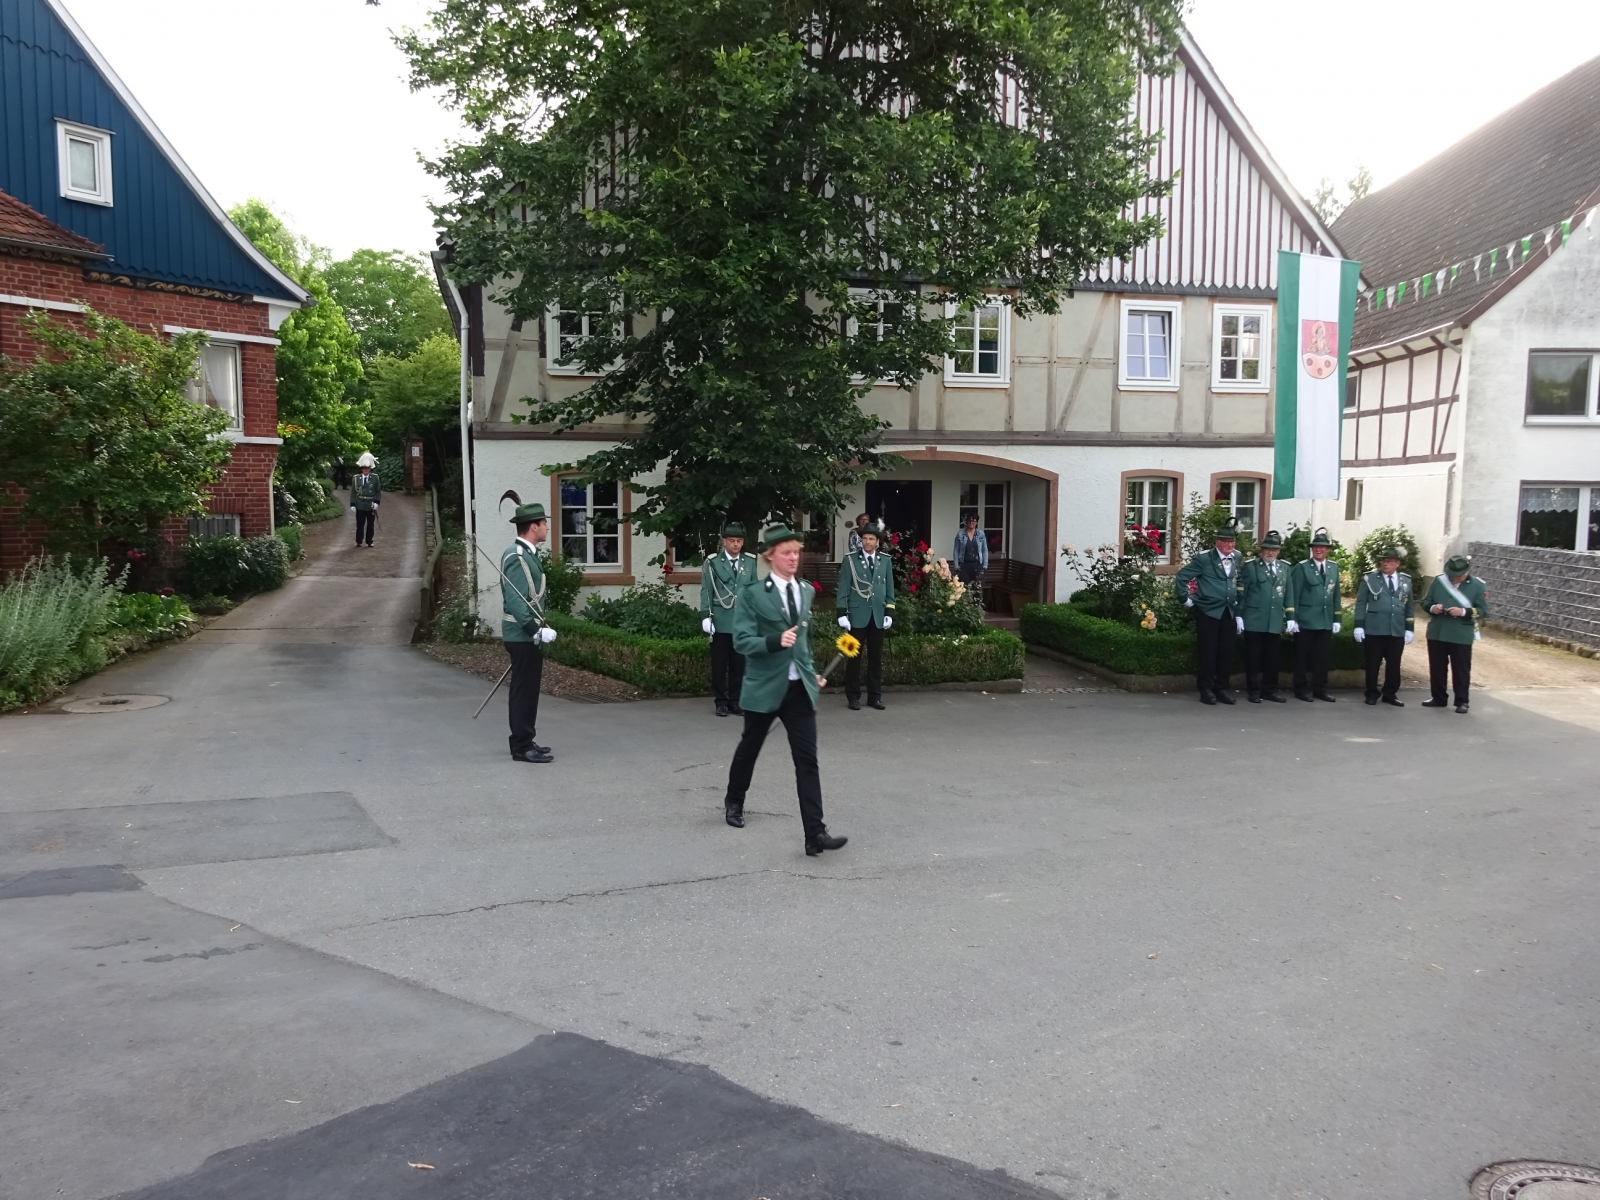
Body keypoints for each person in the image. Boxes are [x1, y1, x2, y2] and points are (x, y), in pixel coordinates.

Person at [722, 522, 847, 856]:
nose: (794, 558)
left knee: (807, 760)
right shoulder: (752, 594)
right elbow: (741, 641)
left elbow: (803, 643)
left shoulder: (805, 590)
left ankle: (815, 833)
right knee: (750, 747)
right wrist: (774, 641)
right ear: (770, 556)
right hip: (764, 686)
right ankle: (734, 800)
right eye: (787, 552)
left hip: (798, 690)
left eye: (796, 552)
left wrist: (811, 673)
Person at [501, 502, 559, 762]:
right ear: (534, 527)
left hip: (528, 635)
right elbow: (516, 600)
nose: (547, 527)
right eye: (544, 523)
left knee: (529, 690)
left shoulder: (527, 554)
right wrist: (535, 630)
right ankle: (521, 746)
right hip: (521, 634)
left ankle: (526, 738)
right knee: (523, 691)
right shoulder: (516, 556)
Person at [1173, 519, 1244, 705]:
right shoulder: (1204, 559)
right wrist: (1185, 599)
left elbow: (1238, 580)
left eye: (1232, 541)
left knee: (1226, 653)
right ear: (1217, 542)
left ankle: (1222, 688)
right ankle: (1206, 689)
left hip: (1228, 611)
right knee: (1208, 652)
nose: (1229, 545)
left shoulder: (1237, 556)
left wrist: (1238, 603)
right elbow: (1182, 577)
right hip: (1209, 611)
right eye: (1225, 541)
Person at [837, 519, 895, 711]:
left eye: (871, 539)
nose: (867, 542)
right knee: (853, 657)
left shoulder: (885, 560)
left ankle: (874, 697)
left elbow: (889, 589)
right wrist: (842, 612)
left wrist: (889, 612)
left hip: (878, 616)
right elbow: (844, 587)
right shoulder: (850, 560)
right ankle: (853, 697)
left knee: (876, 659)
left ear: (877, 541)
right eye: (865, 538)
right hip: (856, 615)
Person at [700, 522, 757, 717]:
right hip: (720, 620)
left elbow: (753, 591)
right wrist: (706, 616)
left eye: (739, 541)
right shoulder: (713, 562)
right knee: (719, 665)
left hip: (741, 622)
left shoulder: (750, 562)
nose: (735, 544)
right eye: (732, 541)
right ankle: (721, 701)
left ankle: (735, 701)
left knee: (738, 665)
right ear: (724, 542)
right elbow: (707, 590)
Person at [1420, 554, 1489, 714]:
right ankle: (1438, 698)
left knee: (1461, 669)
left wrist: (1463, 611)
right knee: (1437, 667)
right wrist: (1433, 608)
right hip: (1438, 631)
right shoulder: (1439, 581)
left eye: (1457, 576)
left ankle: (1462, 701)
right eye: (1451, 575)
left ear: (1467, 572)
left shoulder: (1478, 586)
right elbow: (1425, 601)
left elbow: (1483, 611)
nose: (1454, 578)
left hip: (1461, 633)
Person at [1285, 527, 1342, 702]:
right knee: (1302, 658)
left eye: (1322, 547)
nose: (1318, 549)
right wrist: (1292, 618)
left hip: (1325, 621)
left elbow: (1336, 595)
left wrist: (1337, 618)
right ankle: (1300, 689)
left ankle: (1320, 689)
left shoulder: (1333, 568)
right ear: (1312, 549)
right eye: (1316, 547)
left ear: (1327, 550)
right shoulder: (1302, 568)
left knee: (1322, 658)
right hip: (1306, 620)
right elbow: (1294, 594)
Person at [1353, 545, 1413, 707]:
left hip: (1396, 629)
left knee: (1394, 664)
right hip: (1375, 628)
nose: (1385, 564)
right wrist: (1359, 625)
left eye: (1390, 561)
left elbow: (1409, 606)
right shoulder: (1370, 579)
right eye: (1384, 561)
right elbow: (1361, 603)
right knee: (1373, 663)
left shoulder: (1406, 581)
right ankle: (1371, 693)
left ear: (1397, 563)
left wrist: (1409, 628)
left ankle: (1390, 694)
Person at [1234, 529, 1289, 703]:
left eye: (1274, 549)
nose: (1270, 552)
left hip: (1274, 619)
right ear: (1262, 550)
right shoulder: (1251, 567)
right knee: (1253, 658)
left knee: (1272, 658)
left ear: (1278, 551)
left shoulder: (1285, 568)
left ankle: (1270, 690)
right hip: (1254, 619)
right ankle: (1254, 691)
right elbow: (1243, 592)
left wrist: (1290, 616)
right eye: (1267, 549)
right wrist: (1239, 615)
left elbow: (1288, 594)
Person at [350, 452, 381, 547]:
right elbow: (353, 492)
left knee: (370, 525)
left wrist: (377, 502)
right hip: (360, 504)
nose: (365, 470)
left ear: (370, 468)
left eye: (367, 468)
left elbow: (378, 491)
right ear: (361, 469)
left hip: (370, 504)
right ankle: (359, 541)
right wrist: (352, 504)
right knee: (360, 524)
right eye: (364, 468)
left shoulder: (375, 478)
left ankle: (369, 541)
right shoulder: (356, 478)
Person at [953, 513, 989, 586]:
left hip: (977, 565)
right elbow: (956, 551)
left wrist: (985, 566)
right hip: (964, 565)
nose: (971, 523)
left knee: (977, 588)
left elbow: (984, 550)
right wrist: (956, 566)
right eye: (969, 520)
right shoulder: (960, 534)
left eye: (974, 521)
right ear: (966, 522)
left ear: (976, 522)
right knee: (964, 588)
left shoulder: (981, 534)